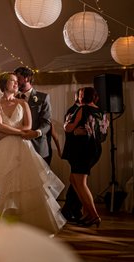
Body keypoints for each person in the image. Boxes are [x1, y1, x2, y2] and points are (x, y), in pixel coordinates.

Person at [0, 72, 66, 234]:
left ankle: (24, 228)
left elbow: (28, 127)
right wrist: (7, 132)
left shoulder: (23, 103)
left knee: (23, 185)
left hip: (21, 148)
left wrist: (6, 133)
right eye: (12, 81)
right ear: (4, 84)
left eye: (16, 81)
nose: (16, 83)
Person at [64, 87, 108, 228]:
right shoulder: (102, 112)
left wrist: (70, 127)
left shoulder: (82, 109)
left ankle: (94, 215)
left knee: (81, 183)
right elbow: (103, 135)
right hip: (95, 149)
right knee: (73, 179)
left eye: (81, 95)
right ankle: (88, 212)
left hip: (82, 150)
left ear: (83, 97)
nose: (80, 97)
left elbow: (68, 128)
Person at [61, 88, 83, 222]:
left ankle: (72, 209)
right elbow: (69, 130)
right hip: (75, 150)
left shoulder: (81, 110)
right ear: (77, 97)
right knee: (77, 181)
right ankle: (69, 209)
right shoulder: (73, 110)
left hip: (80, 151)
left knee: (77, 181)